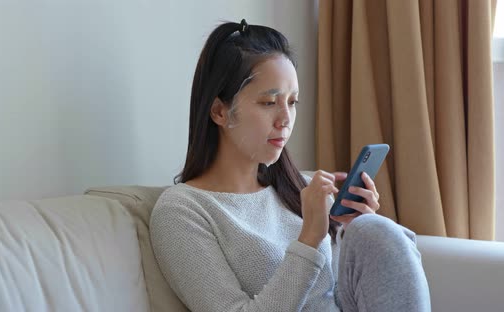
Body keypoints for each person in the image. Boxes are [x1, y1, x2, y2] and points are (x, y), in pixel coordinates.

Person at [149, 19, 430, 312]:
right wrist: (309, 237)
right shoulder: (182, 211)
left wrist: (356, 230)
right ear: (220, 111)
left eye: (293, 102)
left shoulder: (301, 190)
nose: (285, 119)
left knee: (375, 231)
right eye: (269, 102)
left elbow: (336, 297)